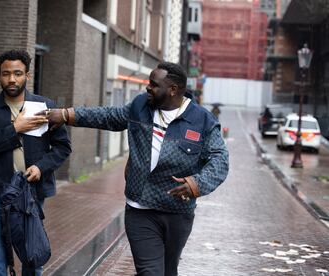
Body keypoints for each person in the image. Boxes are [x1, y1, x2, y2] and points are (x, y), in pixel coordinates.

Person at [39, 62, 229, 275]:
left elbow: (220, 160)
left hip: (177, 213)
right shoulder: (140, 107)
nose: (147, 88)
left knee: (168, 270)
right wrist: (66, 115)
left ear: (173, 89)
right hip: (140, 208)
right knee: (150, 271)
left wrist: (196, 184)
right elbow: (107, 116)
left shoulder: (202, 121)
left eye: (154, 84)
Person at [0, 49, 71, 276]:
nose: (11, 79)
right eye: (6, 74)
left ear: (27, 74)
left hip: (31, 192)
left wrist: (41, 167)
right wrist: (15, 128)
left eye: (17, 73)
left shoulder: (44, 107)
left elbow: (63, 147)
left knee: (32, 256)